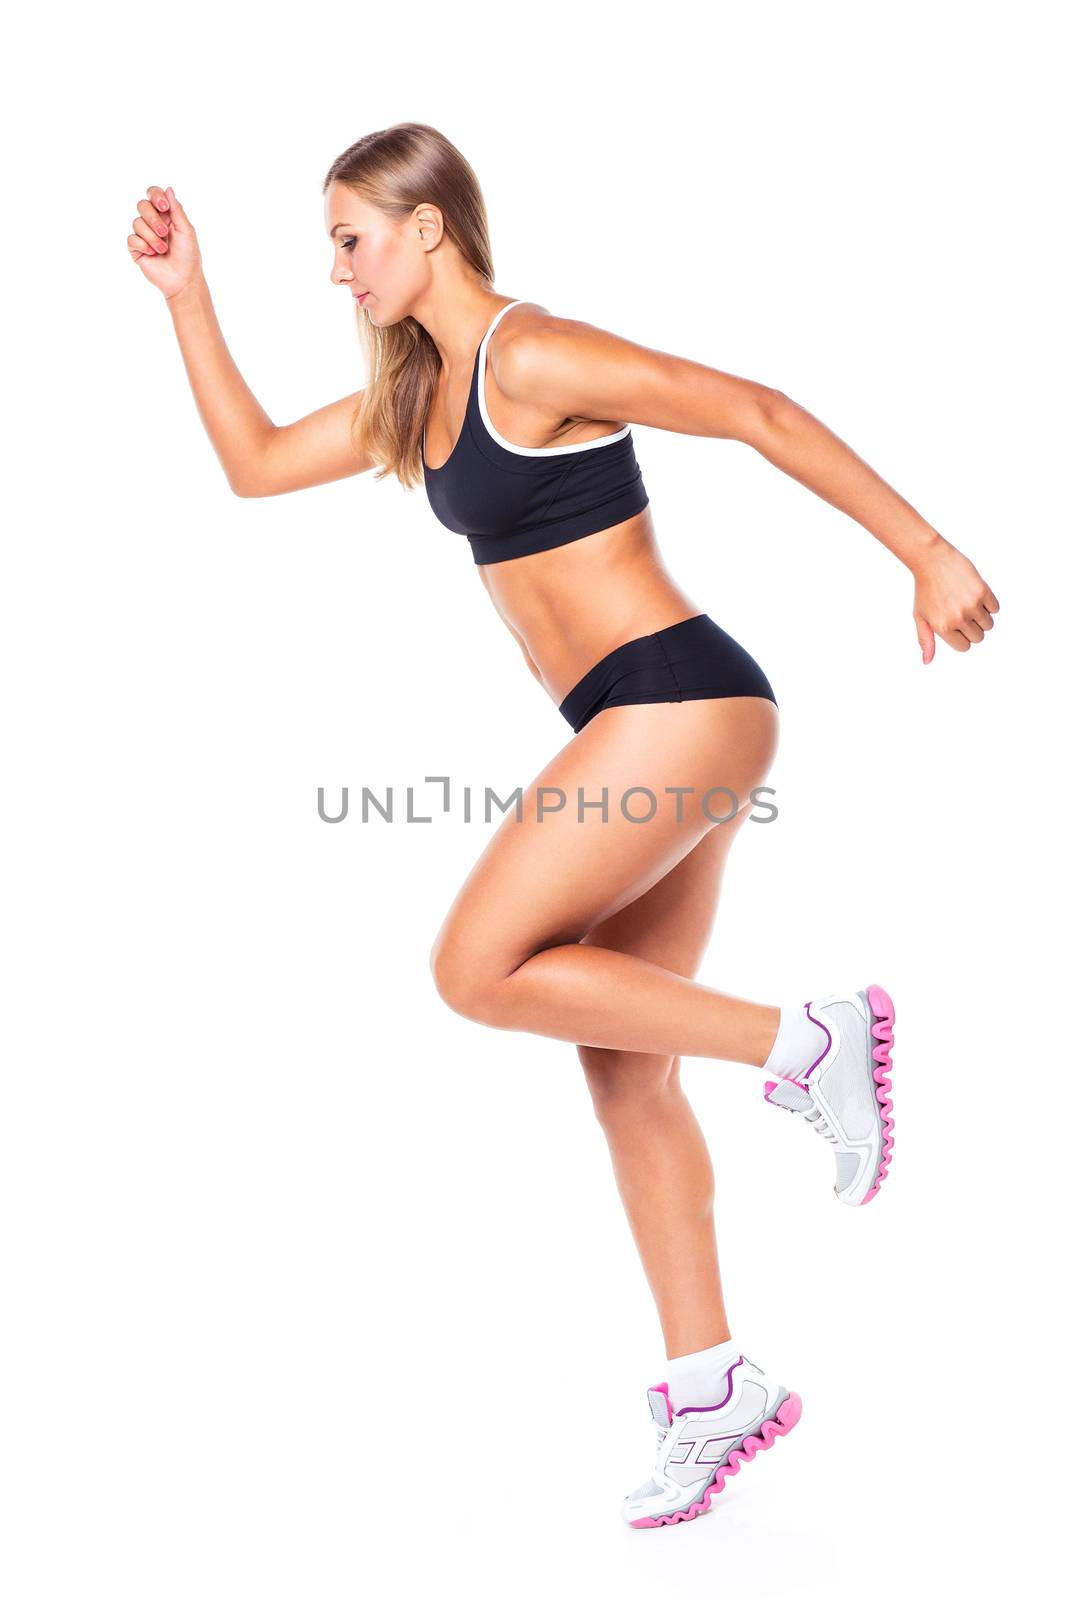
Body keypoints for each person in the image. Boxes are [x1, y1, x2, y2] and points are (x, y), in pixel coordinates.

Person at [128, 121, 999, 1530]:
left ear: (428, 228)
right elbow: (251, 464)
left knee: (474, 968)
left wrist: (929, 551)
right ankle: (715, 1384)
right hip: (644, 718)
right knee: (623, 1065)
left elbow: (757, 409)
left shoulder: (529, 356)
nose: (338, 271)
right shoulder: (421, 401)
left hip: (677, 697)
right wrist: (188, 299)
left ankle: (812, 1042)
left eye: (350, 238)